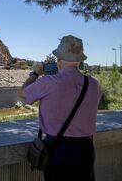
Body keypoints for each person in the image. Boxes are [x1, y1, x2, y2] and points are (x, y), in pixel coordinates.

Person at [21, 35, 101, 181]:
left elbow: (23, 94)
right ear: (79, 60)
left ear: (58, 59)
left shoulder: (49, 82)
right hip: (86, 149)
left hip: (58, 150)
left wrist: (36, 73)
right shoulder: (94, 84)